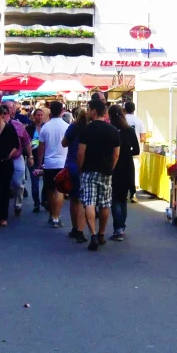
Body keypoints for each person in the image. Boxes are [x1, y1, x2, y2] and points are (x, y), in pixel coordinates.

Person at [78, 98, 121, 251]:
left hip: (89, 170)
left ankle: (93, 234)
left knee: (89, 201)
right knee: (104, 203)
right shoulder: (113, 130)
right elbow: (116, 154)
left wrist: (81, 168)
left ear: (94, 111)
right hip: (106, 171)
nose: (88, 112)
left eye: (89, 110)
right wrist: (111, 168)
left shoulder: (87, 129)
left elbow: (81, 152)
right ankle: (102, 234)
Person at [108, 104, 140, 242]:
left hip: (114, 166)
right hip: (127, 165)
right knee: (123, 198)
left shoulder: (110, 130)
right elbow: (137, 150)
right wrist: (127, 152)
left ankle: (118, 229)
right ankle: (121, 227)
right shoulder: (129, 130)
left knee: (115, 198)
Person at [38, 100, 69, 229]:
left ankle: (52, 215)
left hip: (49, 162)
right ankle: (56, 217)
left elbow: (41, 147)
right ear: (62, 111)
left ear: (50, 111)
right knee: (60, 190)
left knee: (50, 190)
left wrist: (40, 163)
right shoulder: (66, 126)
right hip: (63, 162)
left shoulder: (46, 127)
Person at [62, 108, 89, 243]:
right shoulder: (91, 128)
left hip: (72, 164)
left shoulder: (73, 127)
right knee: (84, 200)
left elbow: (64, 143)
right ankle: (81, 230)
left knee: (74, 199)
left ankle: (75, 228)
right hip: (87, 166)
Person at [3, 100, 33, 216]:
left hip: (16, 158)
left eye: (11, 107)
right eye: (6, 107)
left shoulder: (18, 125)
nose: (9, 110)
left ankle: (18, 204)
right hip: (1, 159)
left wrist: (30, 156)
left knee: (18, 182)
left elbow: (26, 142)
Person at [124, 101, 146, 202]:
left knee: (123, 170)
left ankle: (123, 192)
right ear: (134, 109)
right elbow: (143, 137)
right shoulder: (139, 121)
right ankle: (133, 194)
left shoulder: (122, 119)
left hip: (123, 149)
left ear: (125, 109)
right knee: (135, 171)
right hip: (135, 150)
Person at [29, 107, 46, 213]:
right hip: (33, 157)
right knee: (34, 182)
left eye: (41, 115)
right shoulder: (29, 129)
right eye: (37, 115)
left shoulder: (46, 127)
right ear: (33, 116)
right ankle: (36, 203)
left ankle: (45, 200)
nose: (39, 117)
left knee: (46, 182)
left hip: (45, 158)